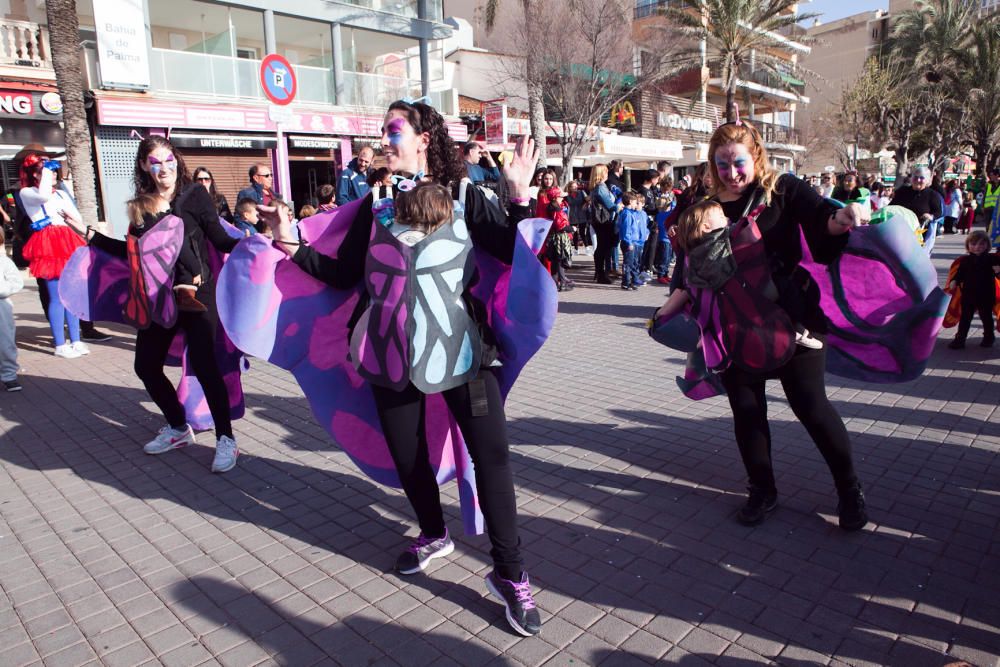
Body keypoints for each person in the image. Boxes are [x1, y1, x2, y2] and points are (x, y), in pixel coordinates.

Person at [248, 100, 548, 636]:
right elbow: (343, 274)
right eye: (385, 132)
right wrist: (288, 238)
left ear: (424, 139)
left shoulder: (465, 196)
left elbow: (515, 251)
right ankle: (434, 531)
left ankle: (509, 572)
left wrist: (520, 197)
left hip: (463, 351)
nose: (386, 141)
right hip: (389, 351)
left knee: (493, 457)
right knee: (409, 458)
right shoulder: (375, 202)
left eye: (394, 131)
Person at [655, 120, 870, 531]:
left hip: (794, 317)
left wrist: (842, 216)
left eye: (738, 162)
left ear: (754, 156)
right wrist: (674, 304)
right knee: (748, 411)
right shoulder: (701, 202)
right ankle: (762, 490)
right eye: (722, 164)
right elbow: (688, 258)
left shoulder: (783, 190)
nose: (731, 173)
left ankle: (849, 489)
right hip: (733, 323)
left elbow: (822, 220)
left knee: (811, 407)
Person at [61, 135, 242, 472]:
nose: (163, 169)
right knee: (145, 366)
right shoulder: (141, 205)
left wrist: (254, 240)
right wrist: (91, 237)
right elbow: (132, 254)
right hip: (157, 297)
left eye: (168, 160)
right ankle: (178, 427)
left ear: (177, 161)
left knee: (205, 367)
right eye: (155, 162)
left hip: (198, 295)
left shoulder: (195, 196)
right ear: (144, 165)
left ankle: (225, 439)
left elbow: (219, 238)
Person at [666, 200, 823, 350]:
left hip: (725, 303)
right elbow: (738, 230)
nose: (726, 217)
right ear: (707, 227)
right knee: (786, 288)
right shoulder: (718, 239)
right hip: (745, 292)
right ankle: (795, 328)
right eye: (721, 216)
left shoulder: (694, 252)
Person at [19, 155, 88, 358]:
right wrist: (47, 172)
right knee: (56, 298)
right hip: (48, 245)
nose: (52, 173)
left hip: (68, 241)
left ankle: (76, 340)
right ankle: (60, 344)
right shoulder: (27, 192)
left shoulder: (60, 194)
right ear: (34, 173)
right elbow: (42, 197)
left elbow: (76, 216)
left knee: (72, 295)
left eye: (52, 170)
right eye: (44, 170)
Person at [946, 230, 1000, 349]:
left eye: (981, 244)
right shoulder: (965, 261)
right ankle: (960, 339)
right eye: (974, 244)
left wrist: (998, 271)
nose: (977, 247)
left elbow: (999, 277)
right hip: (968, 294)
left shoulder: (992, 259)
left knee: (986, 317)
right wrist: (954, 281)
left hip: (986, 294)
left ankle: (989, 337)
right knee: (965, 317)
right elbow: (960, 274)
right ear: (968, 246)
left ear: (987, 245)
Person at [891, 167, 943, 251]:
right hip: (901, 230)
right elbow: (891, 206)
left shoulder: (932, 195)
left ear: (927, 180)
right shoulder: (902, 192)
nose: (918, 180)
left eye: (922, 178)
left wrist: (930, 216)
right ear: (911, 178)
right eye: (915, 177)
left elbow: (938, 212)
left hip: (920, 232)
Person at [0, 226, 24, 392]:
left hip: (2, 307)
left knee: (5, 341)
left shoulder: (4, 261)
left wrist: (2, 289)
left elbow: (17, 282)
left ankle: (9, 374)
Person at [589, 164, 617, 285]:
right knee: (603, 248)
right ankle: (601, 274)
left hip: (600, 220)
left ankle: (601, 272)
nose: (607, 173)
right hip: (603, 221)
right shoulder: (600, 187)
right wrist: (619, 206)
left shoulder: (599, 186)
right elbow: (610, 205)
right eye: (605, 171)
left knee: (603, 247)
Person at [616, 191, 647, 290]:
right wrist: (629, 242)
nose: (636, 204)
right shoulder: (627, 214)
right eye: (635, 202)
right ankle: (626, 282)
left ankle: (632, 281)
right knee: (628, 264)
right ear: (630, 202)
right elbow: (626, 230)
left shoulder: (630, 213)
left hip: (633, 241)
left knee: (633, 263)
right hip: (629, 242)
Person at [545, 187, 574, 292]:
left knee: (556, 262)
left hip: (554, 236)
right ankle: (562, 283)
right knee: (560, 261)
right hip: (559, 238)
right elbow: (560, 226)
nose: (563, 198)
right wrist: (572, 229)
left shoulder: (553, 207)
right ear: (555, 197)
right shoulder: (555, 209)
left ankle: (555, 284)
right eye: (561, 196)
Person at [566, 180, 589, 253]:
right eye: (573, 187)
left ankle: (587, 248)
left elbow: (588, 200)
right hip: (573, 216)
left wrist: (586, 204)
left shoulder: (582, 192)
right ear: (569, 188)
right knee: (575, 233)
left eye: (576, 186)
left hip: (582, 215)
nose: (575, 188)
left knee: (582, 233)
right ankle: (576, 249)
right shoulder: (567, 196)